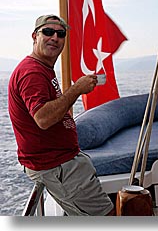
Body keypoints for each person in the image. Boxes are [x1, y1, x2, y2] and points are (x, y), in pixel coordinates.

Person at [8, 14, 115, 216]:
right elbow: (43, 118)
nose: (54, 37)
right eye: (47, 32)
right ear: (34, 36)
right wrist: (76, 89)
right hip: (58, 166)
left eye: (60, 33)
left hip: (63, 161)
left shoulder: (43, 68)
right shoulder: (32, 72)